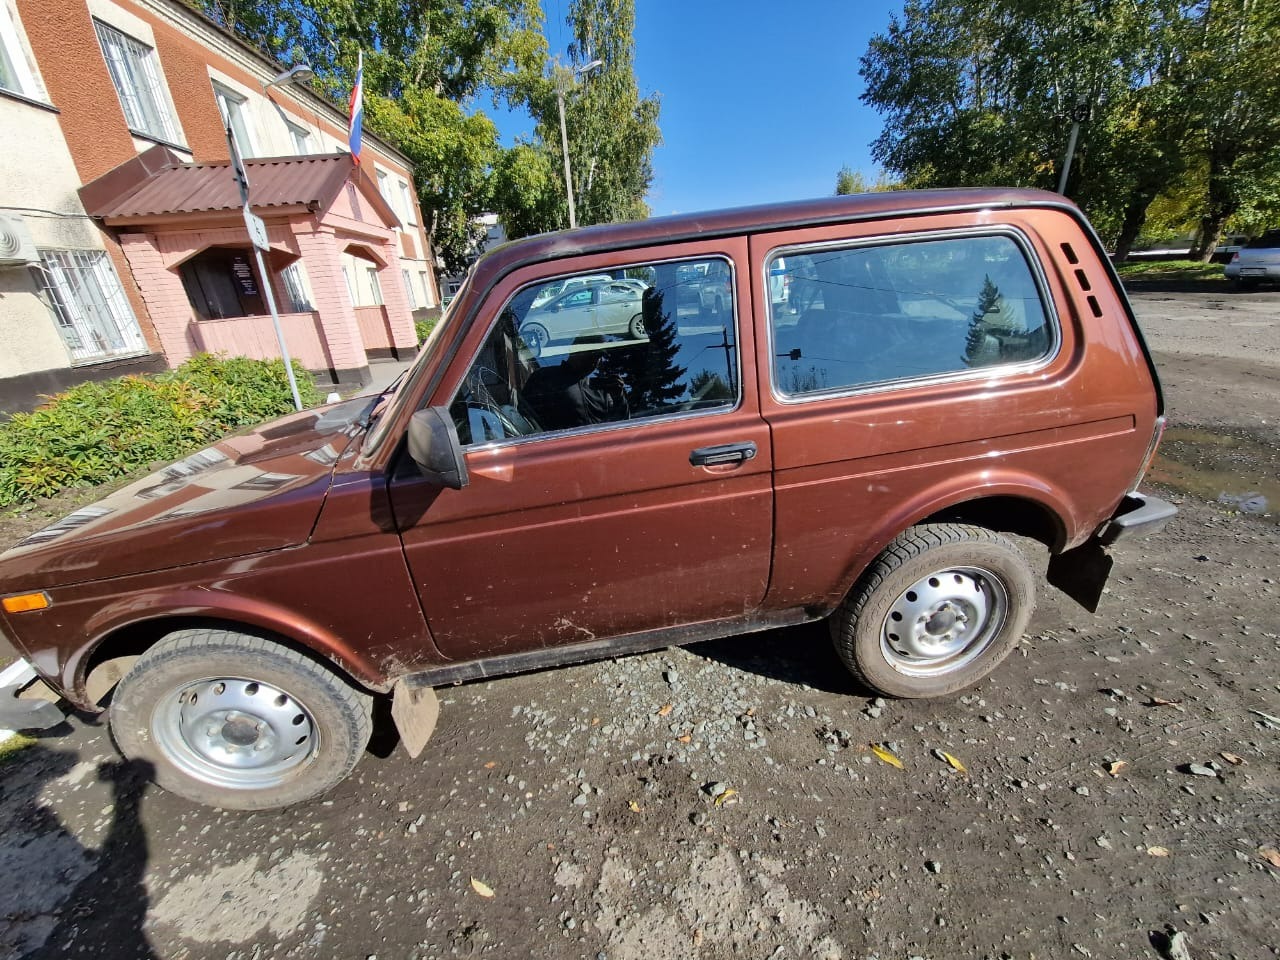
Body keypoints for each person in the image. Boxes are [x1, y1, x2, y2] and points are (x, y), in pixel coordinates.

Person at [523, 335, 629, 431]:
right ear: (574, 349)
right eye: (591, 352)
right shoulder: (545, 377)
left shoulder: (602, 391)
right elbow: (525, 418)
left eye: (598, 356)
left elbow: (622, 429)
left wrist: (618, 397)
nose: (595, 360)